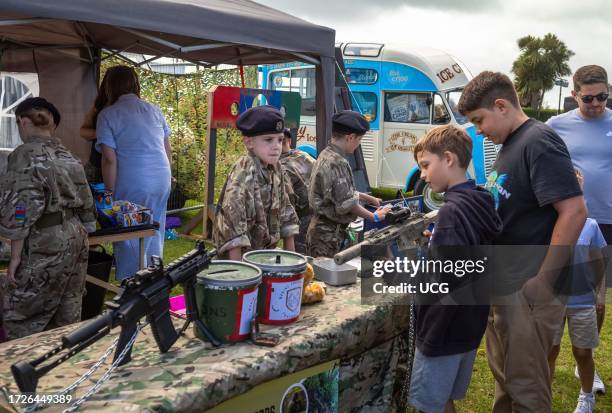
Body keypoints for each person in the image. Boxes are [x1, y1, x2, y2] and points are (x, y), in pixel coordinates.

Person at [458, 71, 587, 412]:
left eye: (479, 120)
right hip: (506, 282)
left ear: (500, 106)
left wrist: (543, 281)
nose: (479, 131)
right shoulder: (512, 144)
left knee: (527, 389)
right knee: (508, 381)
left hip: (530, 285)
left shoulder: (538, 140)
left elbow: (574, 212)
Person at [408, 125, 502, 413]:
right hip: (469, 324)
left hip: (441, 330)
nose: (422, 175)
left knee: (428, 404)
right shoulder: (481, 200)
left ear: (448, 159)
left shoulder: (450, 212)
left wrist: (428, 334)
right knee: (444, 398)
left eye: (425, 165)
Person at [0, 97, 96, 340]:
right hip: (76, 236)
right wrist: (85, 230)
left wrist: (15, 255)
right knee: (68, 311)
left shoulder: (24, 155)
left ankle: (23, 369)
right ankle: (62, 367)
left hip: (46, 240)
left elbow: (20, 207)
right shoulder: (65, 154)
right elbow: (86, 200)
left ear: (22, 121)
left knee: (23, 314)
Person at [547, 65, 611, 392]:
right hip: (570, 220)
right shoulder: (555, 126)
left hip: (608, 222)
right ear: (575, 95)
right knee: (561, 288)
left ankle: (584, 359)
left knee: (597, 296)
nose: (597, 103)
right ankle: (550, 351)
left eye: (603, 96)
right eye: (589, 98)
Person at [96, 65, 172, 280]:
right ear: (135, 84)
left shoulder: (108, 115)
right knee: (154, 230)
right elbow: (168, 150)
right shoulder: (154, 110)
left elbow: (109, 159)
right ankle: (154, 279)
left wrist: (109, 196)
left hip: (133, 181)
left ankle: (131, 286)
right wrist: (169, 177)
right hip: (161, 178)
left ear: (109, 87)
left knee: (128, 236)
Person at [548, 169, 606, 413]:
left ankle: (586, 396)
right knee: (549, 350)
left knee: (583, 351)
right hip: (551, 301)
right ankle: (543, 395)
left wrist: (600, 294)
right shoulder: (546, 225)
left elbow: (599, 264)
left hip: (582, 300)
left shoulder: (591, 226)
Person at [213, 106, 299, 260]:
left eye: (280, 140)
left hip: (264, 256)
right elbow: (233, 229)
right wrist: (242, 276)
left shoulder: (276, 168)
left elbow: (287, 213)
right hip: (240, 262)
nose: (276, 146)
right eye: (268, 140)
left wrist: (291, 263)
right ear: (249, 142)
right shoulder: (244, 173)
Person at [307, 110, 390, 258]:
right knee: (326, 278)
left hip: (323, 231)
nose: (358, 145)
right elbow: (347, 204)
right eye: (359, 140)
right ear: (350, 137)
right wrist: (374, 217)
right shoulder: (337, 162)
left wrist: (370, 199)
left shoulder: (326, 154)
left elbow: (341, 192)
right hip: (327, 235)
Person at [279, 128, 315, 254]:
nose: (280, 146)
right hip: (310, 217)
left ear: (289, 140)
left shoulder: (282, 167)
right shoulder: (303, 156)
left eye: (282, 141)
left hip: (306, 218)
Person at [80, 71, 110, 183]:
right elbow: (82, 131)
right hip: (96, 166)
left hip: (120, 168)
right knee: (96, 199)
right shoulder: (99, 105)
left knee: (115, 199)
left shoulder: (131, 107)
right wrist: (99, 133)